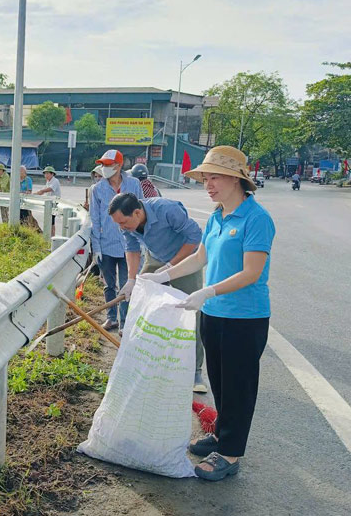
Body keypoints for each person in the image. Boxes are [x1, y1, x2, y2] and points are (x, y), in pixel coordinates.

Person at [140, 145, 275, 481]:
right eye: (205, 178)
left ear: (236, 180)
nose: (208, 184)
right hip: (213, 313)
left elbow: (251, 272)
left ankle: (229, 454)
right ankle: (221, 434)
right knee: (218, 379)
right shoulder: (217, 217)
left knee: (239, 385)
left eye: (214, 177)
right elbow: (200, 258)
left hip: (245, 317)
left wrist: (207, 290)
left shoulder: (257, 219)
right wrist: (163, 275)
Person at [108, 193, 207, 392]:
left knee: (191, 313)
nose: (122, 227)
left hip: (184, 260)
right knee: (138, 302)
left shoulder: (167, 210)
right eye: (118, 224)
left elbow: (195, 237)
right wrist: (131, 279)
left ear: (137, 212)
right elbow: (132, 248)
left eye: (124, 222)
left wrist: (171, 266)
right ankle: (139, 360)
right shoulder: (128, 223)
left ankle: (194, 371)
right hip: (155, 258)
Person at [89, 150, 142, 330]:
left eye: (107, 165)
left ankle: (125, 323)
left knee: (127, 285)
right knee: (109, 285)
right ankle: (111, 317)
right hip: (106, 244)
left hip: (131, 245)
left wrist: (142, 242)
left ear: (118, 166)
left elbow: (141, 213)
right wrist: (96, 247)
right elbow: (94, 220)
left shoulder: (133, 184)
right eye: (102, 165)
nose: (103, 168)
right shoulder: (97, 189)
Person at [35, 165, 62, 234]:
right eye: (45, 173)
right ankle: (50, 234)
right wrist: (35, 194)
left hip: (54, 203)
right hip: (49, 203)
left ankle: (52, 235)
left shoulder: (55, 181)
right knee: (49, 220)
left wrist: (41, 191)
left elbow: (50, 189)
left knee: (51, 220)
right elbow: (43, 191)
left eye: (47, 173)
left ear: (52, 174)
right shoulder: (48, 182)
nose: (46, 175)